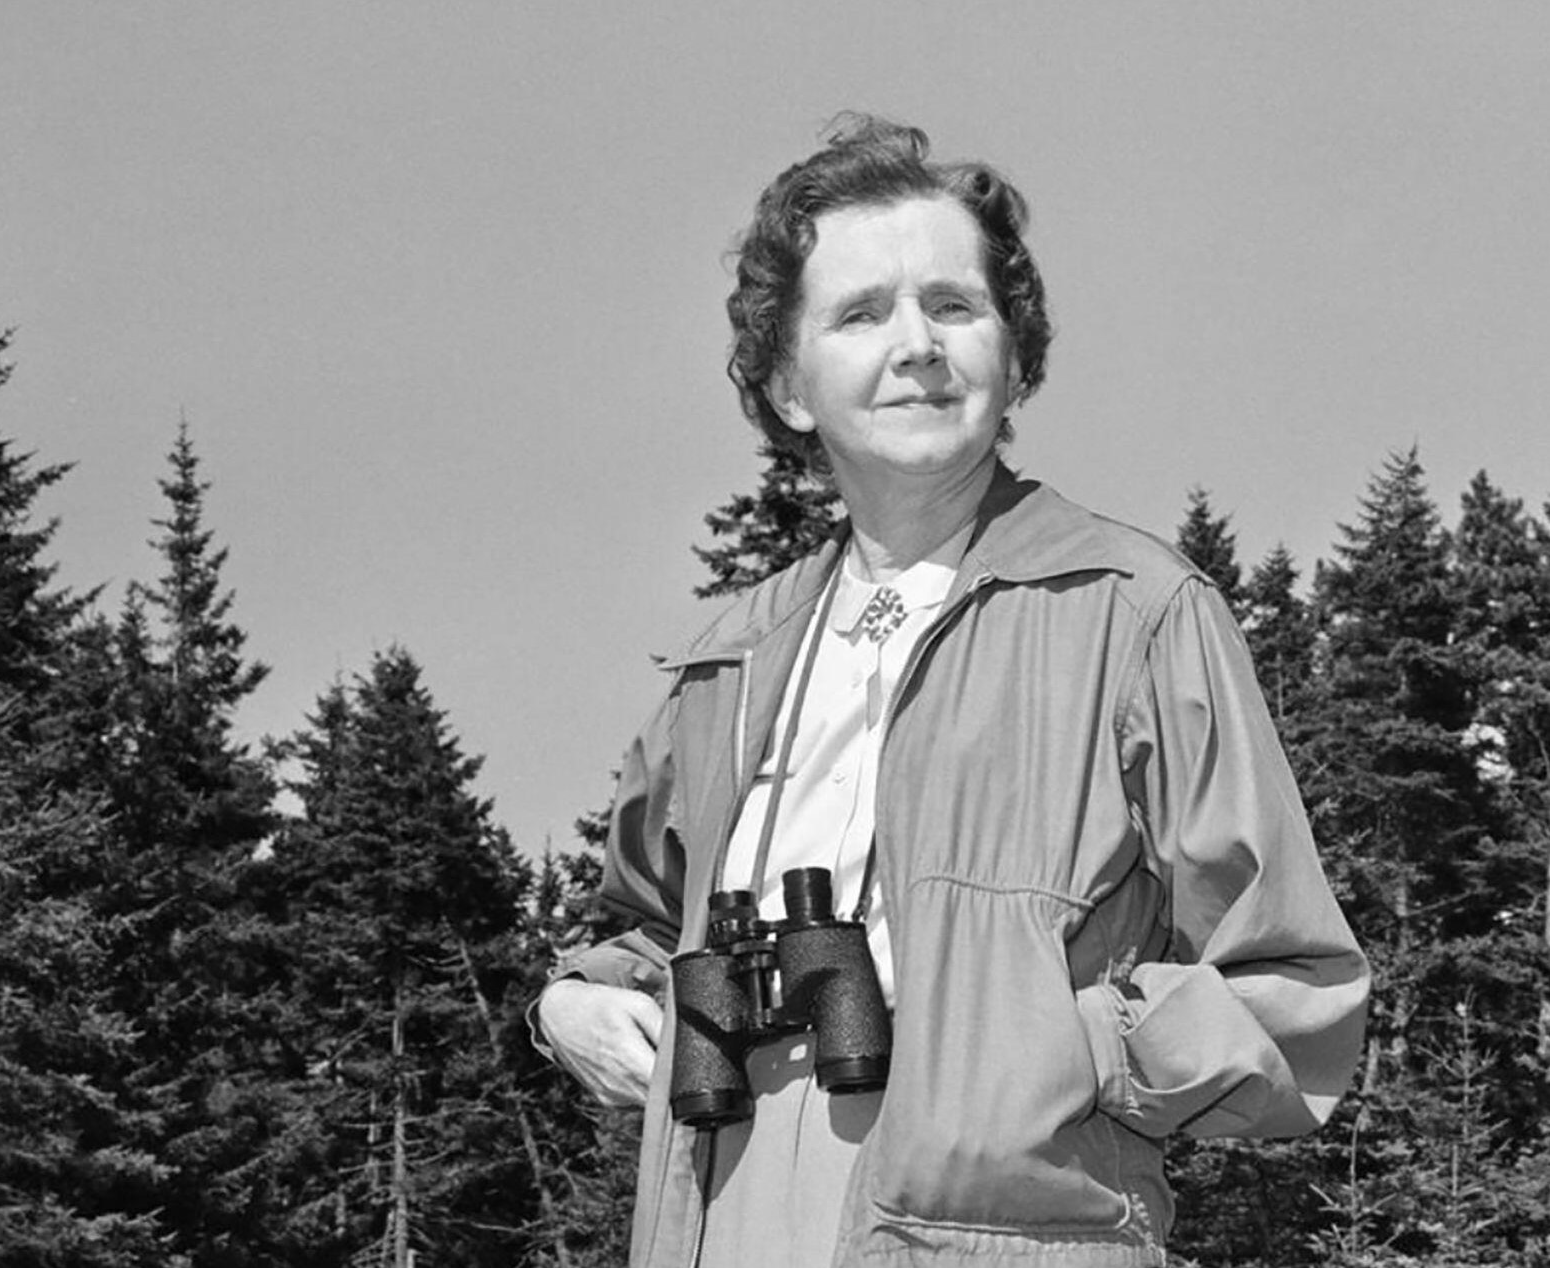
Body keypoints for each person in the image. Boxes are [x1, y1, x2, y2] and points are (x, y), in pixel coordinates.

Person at [534, 115, 1370, 1268]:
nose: (916, 344)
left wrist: (1058, 1051)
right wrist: (573, 1002)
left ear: (1015, 355)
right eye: (862, 311)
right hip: (717, 1213)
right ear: (786, 383)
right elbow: (637, 921)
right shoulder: (727, 659)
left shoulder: (1135, 613)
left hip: (1003, 1230)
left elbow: (1298, 985)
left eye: (954, 305)